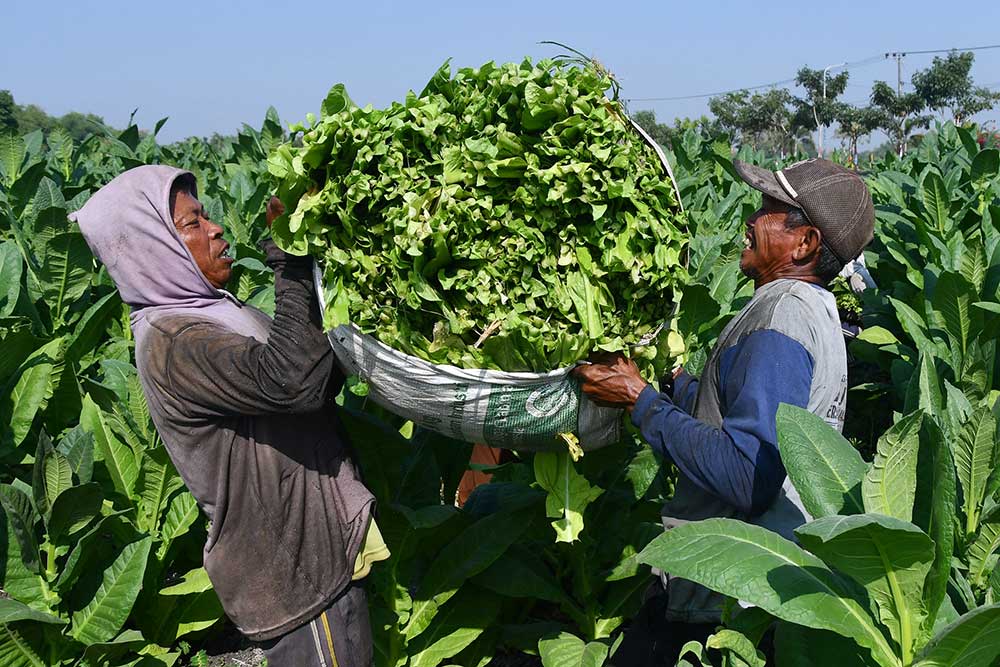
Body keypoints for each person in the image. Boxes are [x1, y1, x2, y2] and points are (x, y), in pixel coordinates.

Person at [71, 165, 388, 667]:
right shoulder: (176, 342)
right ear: (152, 247)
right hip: (294, 569)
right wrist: (290, 263)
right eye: (191, 224)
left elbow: (316, 375)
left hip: (313, 547)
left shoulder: (218, 311)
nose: (215, 227)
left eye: (206, 216)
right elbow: (293, 383)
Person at [573, 158, 875, 664]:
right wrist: (675, 386)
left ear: (805, 244)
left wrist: (639, 402)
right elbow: (750, 419)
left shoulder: (783, 315)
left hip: (726, 602)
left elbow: (747, 474)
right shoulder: (814, 309)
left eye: (771, 212)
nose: (752, 220)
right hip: (752, 586)